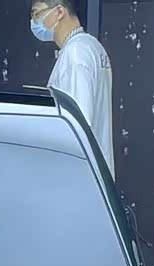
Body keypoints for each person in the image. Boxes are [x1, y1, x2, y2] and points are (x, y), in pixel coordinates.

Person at [30, 0, 115, 175]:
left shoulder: (75, 54)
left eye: (37, 14)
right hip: (93, 173)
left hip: (80, 175)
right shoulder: (91, 46)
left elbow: (77, 127)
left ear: (59, 12)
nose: (34, 22)